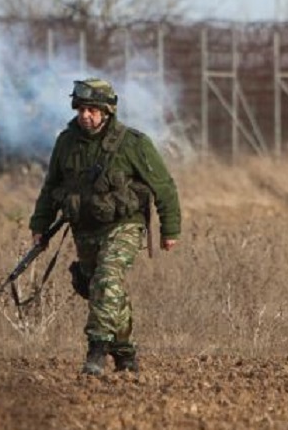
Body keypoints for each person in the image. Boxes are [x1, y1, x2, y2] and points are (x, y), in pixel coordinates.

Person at [29, 78, 181, 375]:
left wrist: (170, 229)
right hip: (84, 230)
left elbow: (163, 186)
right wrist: (40, 225)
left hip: (124, 226)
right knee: (100, 289)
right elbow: (51, 188)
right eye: (81, 109)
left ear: (107, 111)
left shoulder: (133, 144)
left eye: (93, 110)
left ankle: (96, 351)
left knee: (108, 279)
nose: (85, 115)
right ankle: (124, 351)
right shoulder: (66, 142)